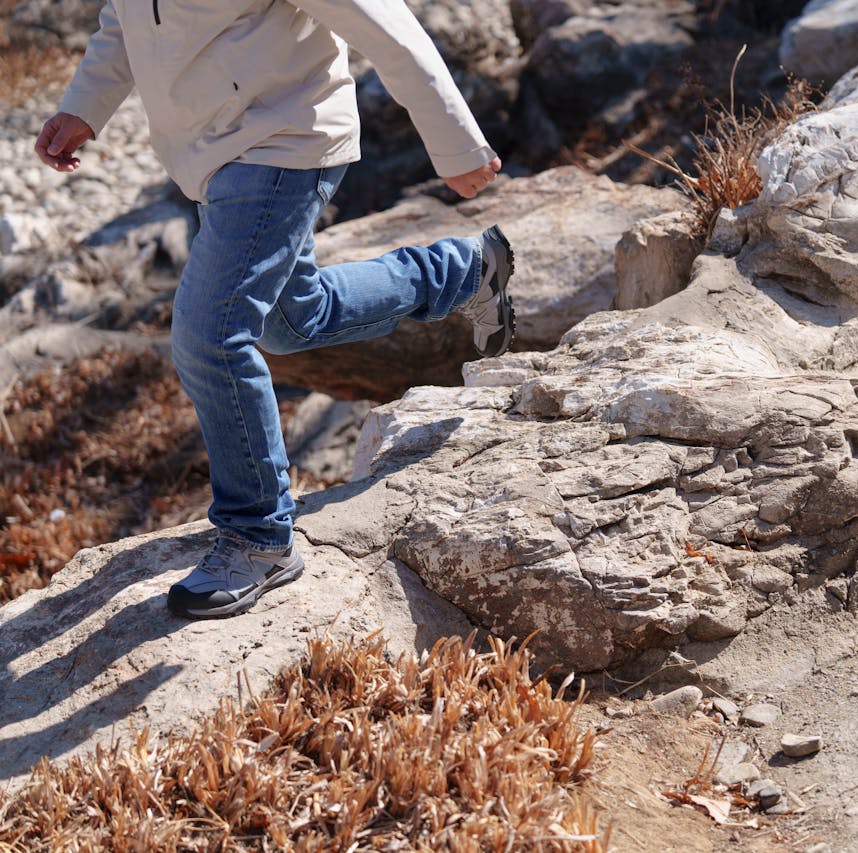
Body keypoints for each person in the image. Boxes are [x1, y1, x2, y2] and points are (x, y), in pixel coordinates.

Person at [35, 0, 515, 620]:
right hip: (213, 153)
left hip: (282, 140)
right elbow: (124, 20)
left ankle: (259, 537)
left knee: (210, 337)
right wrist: (83, 106)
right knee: (290, 320)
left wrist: (456, 145)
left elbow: (385, 25)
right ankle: (469, 270)